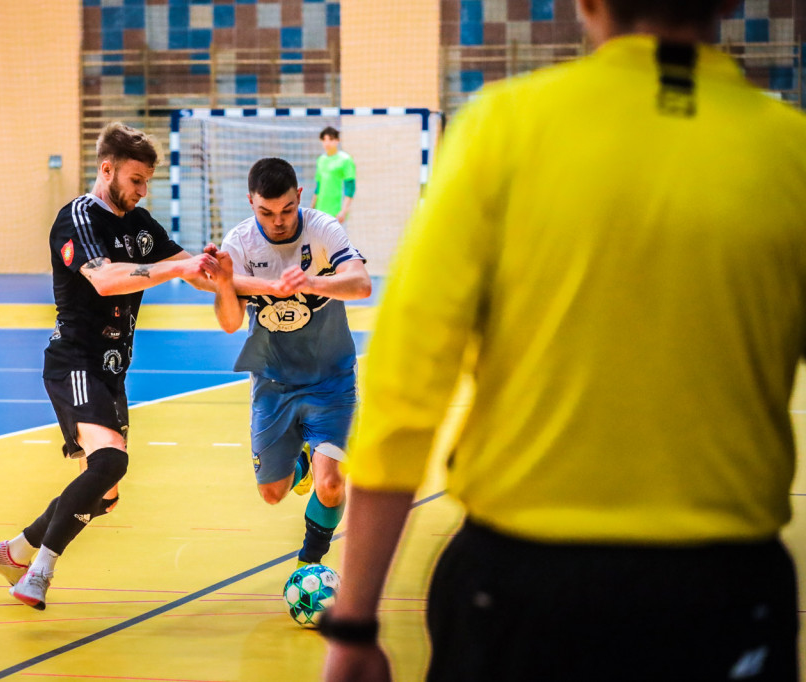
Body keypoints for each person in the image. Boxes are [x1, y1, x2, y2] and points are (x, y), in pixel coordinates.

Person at [320, 0, 806, 679]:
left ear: (587, 4)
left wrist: (353, 624)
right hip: (726, 593)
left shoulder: (502, 127)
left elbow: (405, 388)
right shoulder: (791, 151)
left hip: (524, 588)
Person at [0, 122, 221, 610]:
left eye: (147, 182)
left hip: (112, 370)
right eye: (135, 180)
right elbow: (106, 280)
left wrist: (241, 274)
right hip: (74, 360)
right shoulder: (79, 217)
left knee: (106, 494)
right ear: (106, 168)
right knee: (111, 460)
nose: (141, 190)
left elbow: (190, 268)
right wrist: (176, 268)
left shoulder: (141, 224)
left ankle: (15, 550)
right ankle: (37, 574)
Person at [209, 157, 371, 569]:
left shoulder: (322, 229)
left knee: (331, 484)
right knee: (272, 493)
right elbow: (230, 323)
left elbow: (361, 283)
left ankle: (309, 562)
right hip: (273, 383)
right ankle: (300, 459)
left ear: (299, 196)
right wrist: (226, 284)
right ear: (250, 202)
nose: (278, 221)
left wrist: (312, 281)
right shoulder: (240, 244)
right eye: (266, 212)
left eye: (286, 210)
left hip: (330, 379)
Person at [310, 127, 356, 225]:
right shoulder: (321, 160)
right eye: (324, 140)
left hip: (336, 211)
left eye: (330, 139)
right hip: (320, 210)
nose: (327, 143)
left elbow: (350, 188)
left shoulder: (345, 160)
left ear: (337, 140)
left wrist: (343, 211)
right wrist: (312, 208)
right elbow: (318, 187)